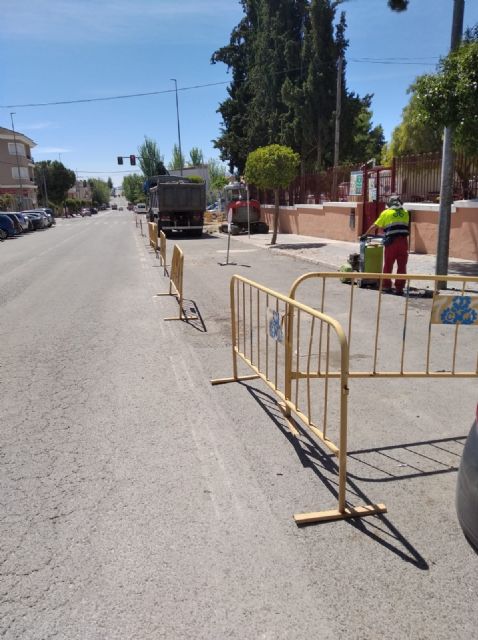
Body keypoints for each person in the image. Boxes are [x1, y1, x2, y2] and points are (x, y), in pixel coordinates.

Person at [362, 195, 410, 295]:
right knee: (402, 266)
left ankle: (387, 286)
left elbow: (375, 225)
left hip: (391, 242)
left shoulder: (386, 213)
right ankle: (399, 288)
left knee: (388, 265)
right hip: (404, 242)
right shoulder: (405, 213)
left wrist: (365, 235)